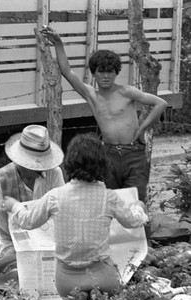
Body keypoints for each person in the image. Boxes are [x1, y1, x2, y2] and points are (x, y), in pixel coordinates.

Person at [3, 133, 148, 300]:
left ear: (70, 163)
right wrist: (140, 208)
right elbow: (133, 221)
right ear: (102, 163)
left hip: (66, 280)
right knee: (108, 274)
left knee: (70, 281)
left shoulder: (55, 196)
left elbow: (28, 222)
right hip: (103, 277)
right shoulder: (109, 197)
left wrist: (14, 206)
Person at [39, 26, 168, 203]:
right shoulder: (91, 95)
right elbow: (67, 71)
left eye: (110, 72)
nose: (106, 76)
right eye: (101, 71)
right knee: (108, 203)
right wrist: (59, 43)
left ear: (116, 73)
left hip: (134, 154)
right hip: (108, 155)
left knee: (136, 204)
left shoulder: (127, 92)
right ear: (94, 73)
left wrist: (143, 129)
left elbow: (161, 103)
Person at [0, 124, 65, 272]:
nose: (41, 169)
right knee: (18, 271)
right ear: (22, 162)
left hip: (48, 242)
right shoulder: (1, 181)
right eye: (36, 165)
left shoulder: (54, 174)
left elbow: (63, 212)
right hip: (14, 246)